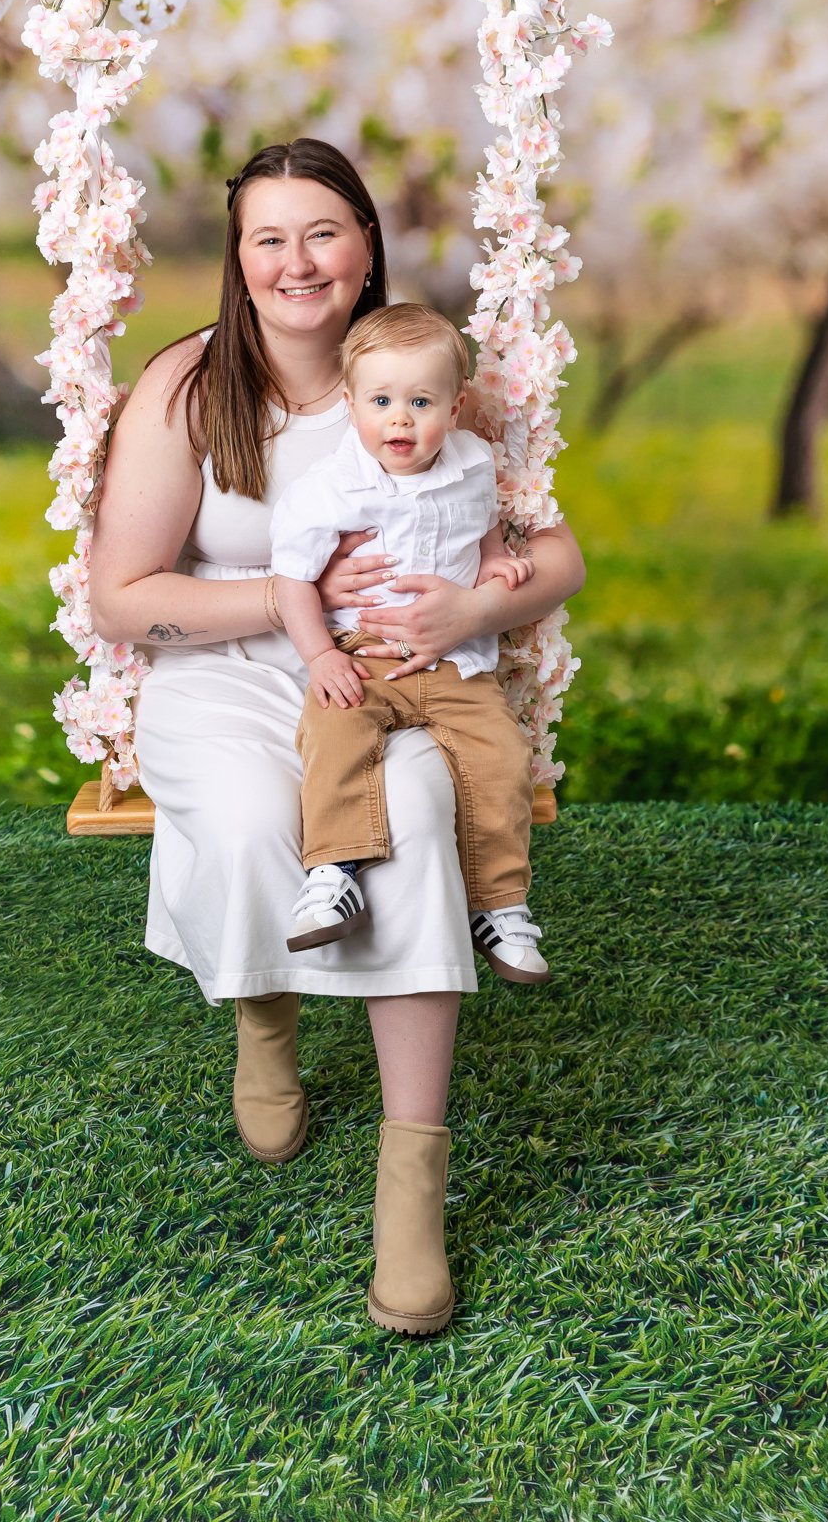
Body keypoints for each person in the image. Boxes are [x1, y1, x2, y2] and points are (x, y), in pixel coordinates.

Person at [89, 139, 585, 1336]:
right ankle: (269, 1024)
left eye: (324, 232)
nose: (298, 260)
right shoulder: (189, 387)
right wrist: (284, 600)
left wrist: (473, 606)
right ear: (239, 259)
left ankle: (410, 1189)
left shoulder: (429, 371)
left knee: (414, 819)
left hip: (396, 671)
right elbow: (122, 594)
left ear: (366, 245)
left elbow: (555, 552)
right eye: (270, 237)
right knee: (264, 815)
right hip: (223, 666)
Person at [270, 303, 551, 984]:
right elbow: (290, 581)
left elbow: (479, 533)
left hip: (455, 664)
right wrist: (321, 657)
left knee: (500, 756)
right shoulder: (330, 487)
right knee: (335, 734)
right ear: (350, 404)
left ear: (454, 409)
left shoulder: (472, 464)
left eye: (420, 401)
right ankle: (333, 873)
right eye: (381, 401)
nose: (400, 418)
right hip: (363, 657)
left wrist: (495, 569)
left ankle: (499, 905)